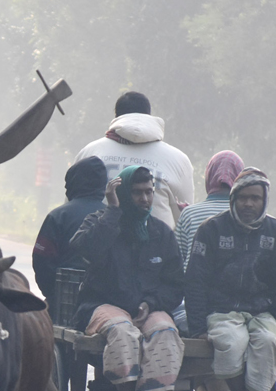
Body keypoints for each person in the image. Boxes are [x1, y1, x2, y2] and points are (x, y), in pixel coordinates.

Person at [70, 165, 185, 391]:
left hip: (147, 307)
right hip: (103, 305)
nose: (144, 199)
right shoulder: (100, 221)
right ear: (122, 193)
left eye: (148, 192)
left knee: (166, 332)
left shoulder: (161, 232)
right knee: (123, 333)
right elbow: (86, 249)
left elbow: (174, 284)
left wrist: (150, 304)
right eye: (137, 193)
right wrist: (113, 211)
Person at [184, 168, 276, 391]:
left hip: (263, 314)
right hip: (222, 312)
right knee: (232, 343)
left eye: (255, 198)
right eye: (243, 198)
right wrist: (198, 327)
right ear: (233, 199)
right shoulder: (211, 230)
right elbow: (195, 281)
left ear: (264, 200)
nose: (248, 204)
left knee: (269, 344)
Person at [74, 91, 194, 230]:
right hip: (157, 248)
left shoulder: (90, 153)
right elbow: (184, 220)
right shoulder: (178, 159)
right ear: (148, 115)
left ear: (117, 116)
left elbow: (72, 207)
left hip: (97, 247)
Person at [32, 157, 108, 316]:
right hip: (105, 307)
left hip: (61, 304)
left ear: (73, 182)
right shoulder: (114, 217)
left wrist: (52, 294)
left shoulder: (58, 216)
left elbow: (41, 262)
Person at [176, 150, 244, 271]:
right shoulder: (246, 215)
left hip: (194, 286)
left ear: (209, 174)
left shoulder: (189, 214)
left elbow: (177, 262)